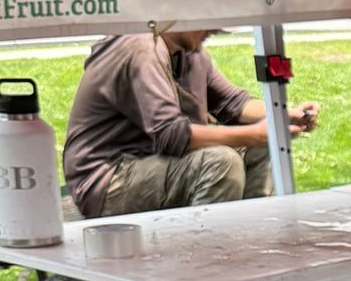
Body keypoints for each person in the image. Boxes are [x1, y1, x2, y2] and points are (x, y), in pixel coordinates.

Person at [62, 29, 319, 218]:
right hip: (107, 180)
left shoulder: (191, 54)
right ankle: (205, 265)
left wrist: (282, 115)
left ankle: (253, 245)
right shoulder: (139, 47)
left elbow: (232, 103)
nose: (215, 30)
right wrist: (253, 134)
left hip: (153, 163)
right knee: (220, 163)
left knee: (261, 148)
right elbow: (171, 135)